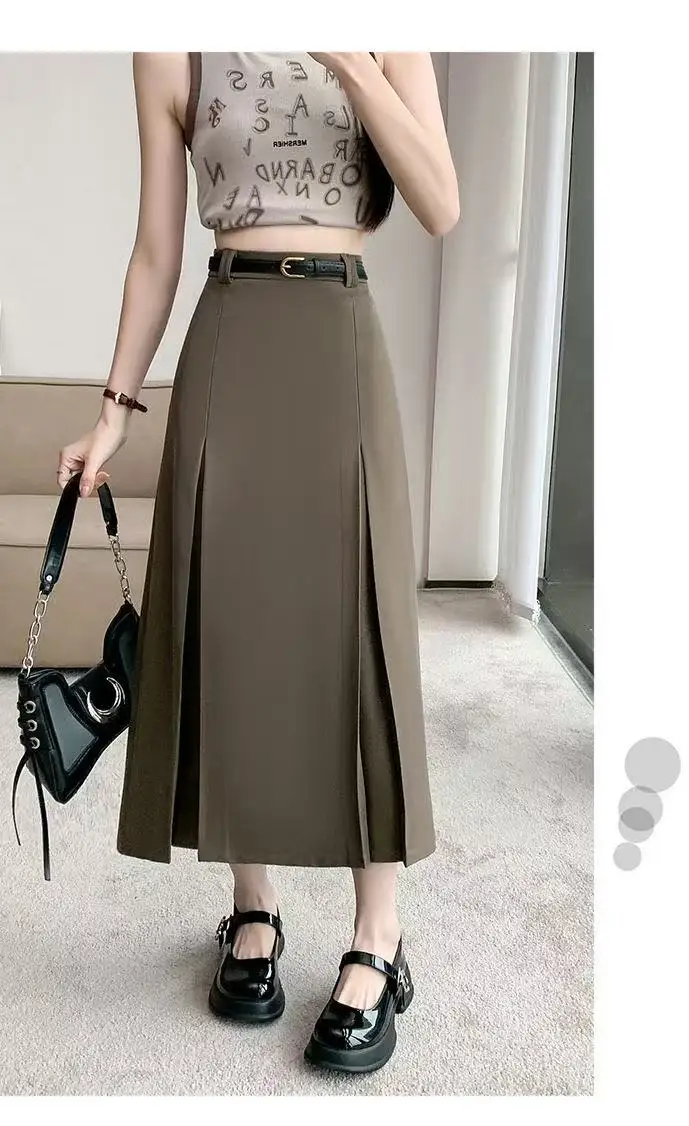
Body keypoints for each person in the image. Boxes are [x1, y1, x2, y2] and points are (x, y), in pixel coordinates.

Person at [56, 51, 459, 1075]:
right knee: (231, 628)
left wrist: (354, 63)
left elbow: (441, 204)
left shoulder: (387, 34)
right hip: (229, 332)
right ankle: (252, 904)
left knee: (361, 634)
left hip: (339, 336)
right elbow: (156, 251)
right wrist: (114, 413)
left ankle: (379, 932)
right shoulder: (172, 46)